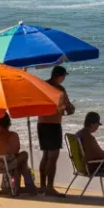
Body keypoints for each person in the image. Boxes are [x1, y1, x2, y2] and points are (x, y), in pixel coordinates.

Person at [38, 65, 74, 197]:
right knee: (53, 157)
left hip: (41, 124)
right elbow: (68, 107)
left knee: (45, 155)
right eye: (64, 77)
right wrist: (70, 109)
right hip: (53, 125)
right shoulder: (60, 89)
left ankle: (42, 186)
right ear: (60, 76)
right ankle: (49, 187)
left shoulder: (42, 85)